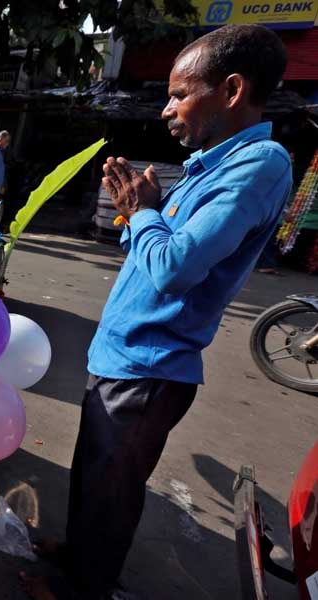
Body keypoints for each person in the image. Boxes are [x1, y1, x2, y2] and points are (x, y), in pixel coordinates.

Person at [21, 24, 292, 599]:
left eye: (179, 94)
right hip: (122, 356)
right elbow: (155, 251)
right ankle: (77, 557)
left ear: (232, 89)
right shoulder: (213, 165)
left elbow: (173, 267)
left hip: (150, 364)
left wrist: (143, 212)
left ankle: (82, 590)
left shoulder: (259, 164)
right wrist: (137, 213)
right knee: (94, 481)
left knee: (111, 493)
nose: (167, 110)